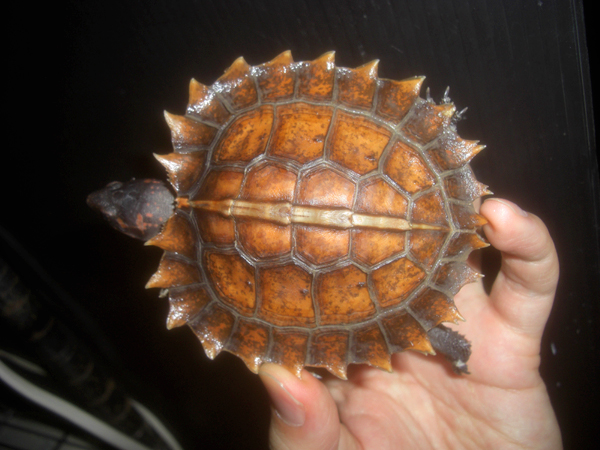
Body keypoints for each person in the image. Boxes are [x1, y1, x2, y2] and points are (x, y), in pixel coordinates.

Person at [258, 198, 562, 450]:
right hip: (412, 207)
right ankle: (451, 349)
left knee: (420, 327)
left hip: (383, 281)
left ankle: (451, 348)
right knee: (418, 326)